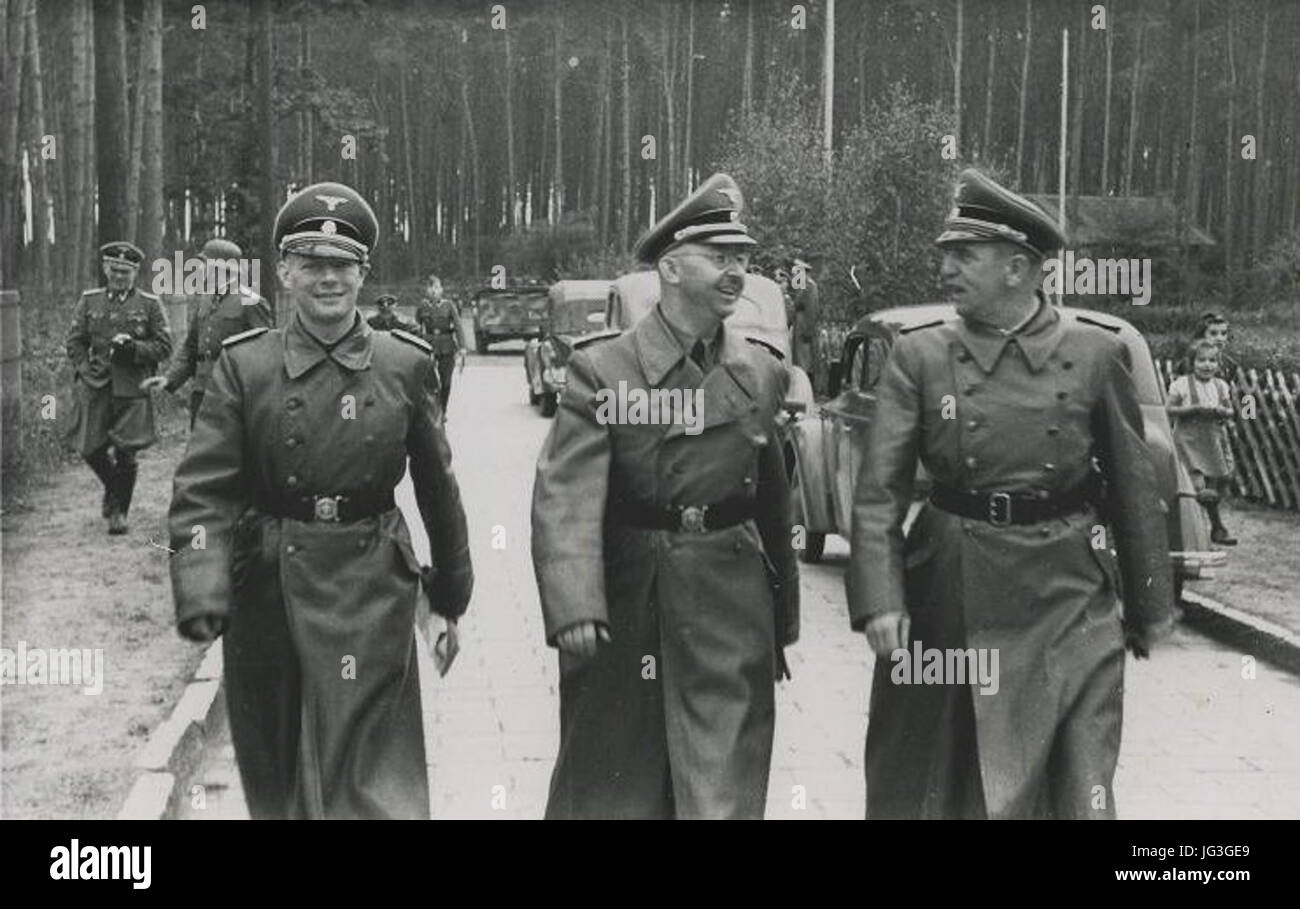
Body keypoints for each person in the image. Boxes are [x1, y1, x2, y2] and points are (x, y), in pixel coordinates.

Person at [846, 168, 1175, 819]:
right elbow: (878, 492)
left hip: (1068, 596)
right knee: (938, 774)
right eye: (944, 254)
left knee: (1081, 779)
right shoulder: (920, 358)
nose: (945, 269)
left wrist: (1148, 606)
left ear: (1019, 267)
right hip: (950, 583)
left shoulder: (1093, 354)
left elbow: (1135, 489)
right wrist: (880, 599)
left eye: (963, 255)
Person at [166, 181, 474, 819]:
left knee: (372, 785)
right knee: (278, 781)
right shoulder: (246, 367)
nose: (327, 278)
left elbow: (438, 487)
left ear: (364, 273)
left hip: (373, 590)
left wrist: (447, 598)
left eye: (343, 265)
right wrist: (201, 589)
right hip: (269, 591)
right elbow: (203, 489)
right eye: (311, 263)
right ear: (284, 271)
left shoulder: (402, 365)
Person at [530, 173, 800, 819]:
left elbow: (772, 503)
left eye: (743, 260)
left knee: (722, 784)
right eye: (719, 258)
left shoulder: (762, 371)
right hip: (631, 599)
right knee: (616, 779)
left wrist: (781, 625)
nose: (736, 272)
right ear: (672, 268)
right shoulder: (604, 368)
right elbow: (565, 493)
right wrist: (574, 605)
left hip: (730, 604)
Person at [65, 241, 173, 534]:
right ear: (105, 269)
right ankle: (113, 488)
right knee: (89, 448)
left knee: (127, 453)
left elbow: (165, 346)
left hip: (132, 388)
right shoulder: (89, 301)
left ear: (135, 272)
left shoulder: (149, 304)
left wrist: (135, 349)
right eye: (114, 270)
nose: (119, 276)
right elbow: (75, 342)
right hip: (96, 386)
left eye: (125, 272)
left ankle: (119, 513)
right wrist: (85, 371)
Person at [140, 238, 272, 427]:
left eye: (204, 265)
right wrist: (169, 379)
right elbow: (191, 346)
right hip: (202, 390)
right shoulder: (206, 300)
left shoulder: (251, 301)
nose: (199, 270)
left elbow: (265, 353)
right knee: (199, 448)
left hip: (233, 392)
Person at [1167, 339, 1238, 545]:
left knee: (1219, 482)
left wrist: (1225, 413)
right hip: (1188, 442)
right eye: (1201, 360)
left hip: (1212, 440)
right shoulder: (1181, 384)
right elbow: (1168, 409)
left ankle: (1213, 526)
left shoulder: (1220, 386)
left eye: (1212, 361)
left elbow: (1230, 409)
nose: (1207, 365)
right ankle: (1212, 530)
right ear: (1192, 362)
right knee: (1197, 486)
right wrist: (1194, 409)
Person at [414, 274, 466, 413]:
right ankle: (431, 409)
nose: (433, 291)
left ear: (441, 289)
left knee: (446, 381)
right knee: (427, 380)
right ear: (426, 290)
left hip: (447, 345)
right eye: (430, 288)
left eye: (436, 287)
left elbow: (458, 326)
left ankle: (443, 409)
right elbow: (416, 327)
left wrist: (462, 347)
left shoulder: (449, 305)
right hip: (428, 345)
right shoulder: (422, 306)